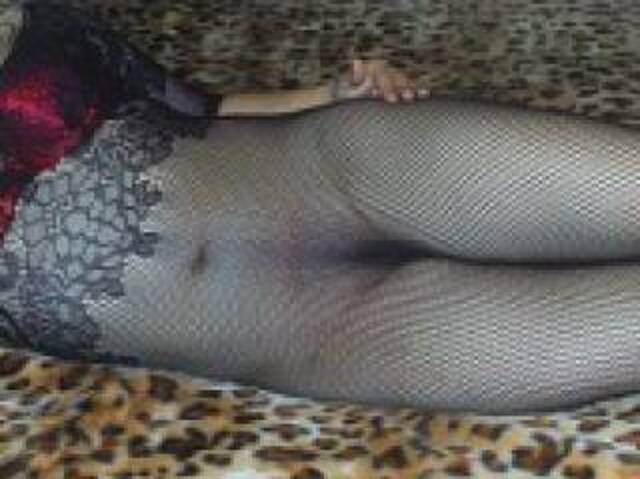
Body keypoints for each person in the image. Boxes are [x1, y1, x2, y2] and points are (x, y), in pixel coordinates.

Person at [3, 1, 640, 414]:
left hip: (338, 171)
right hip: (311, 329)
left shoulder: (36, 17)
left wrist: (329, 92)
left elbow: (197, 109)